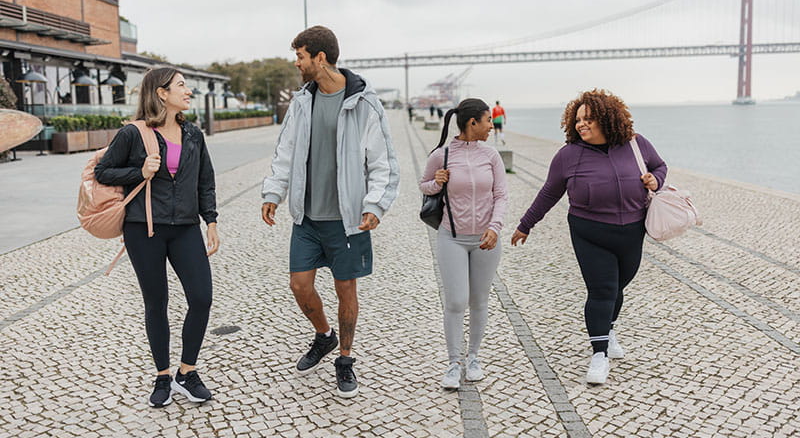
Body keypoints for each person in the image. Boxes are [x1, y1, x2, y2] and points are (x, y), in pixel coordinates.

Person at [261, 25, 400, 398]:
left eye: (301, 56)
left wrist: (375, 206)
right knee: (299, 285)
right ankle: (324, 336)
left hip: (347, 218)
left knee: (345, 290)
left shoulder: (364, 102)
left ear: (319, 58)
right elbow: (285, 151)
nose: (297, 63)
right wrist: (273, 192)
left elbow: (383, 162)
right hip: (306, 217)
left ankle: (345, 359)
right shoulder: (302, 102)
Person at [511, 89, 666, 385]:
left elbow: (660, 166)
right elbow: (549, 193)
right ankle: (599, 354)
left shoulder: (636, 144)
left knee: (620, 285)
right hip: (589, 231)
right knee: (603, 290)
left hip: (633, 230)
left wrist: (656, 179)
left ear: (608, 119)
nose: (582, 124)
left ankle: (607, 330)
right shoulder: (568, 156)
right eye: (578, 119)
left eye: (589, 119)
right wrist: (526, 224)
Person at [95, 67, 219, 407]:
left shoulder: (193, 134)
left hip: (185, 228)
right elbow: (102, 171)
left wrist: (211, 221)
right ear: (161, 93)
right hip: (143, 229)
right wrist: (140, 171)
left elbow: (204, 180)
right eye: (181, 85)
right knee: (156, 302)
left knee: (202, 297)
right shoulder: (133, 134)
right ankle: (162, 376)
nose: (188, 91)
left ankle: (187, 372)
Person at [419, 98, 508, 390]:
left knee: (479, 300)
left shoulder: (491, 156)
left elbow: (501, 196)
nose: (490, 128)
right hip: (452, 238)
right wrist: (437, 182)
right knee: (456, 301)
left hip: (486, 239)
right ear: (473, 123)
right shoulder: (441, 155)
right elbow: (424, 186)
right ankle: (453, 363)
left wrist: (495, 228)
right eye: (486, 122)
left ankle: (474, 358)